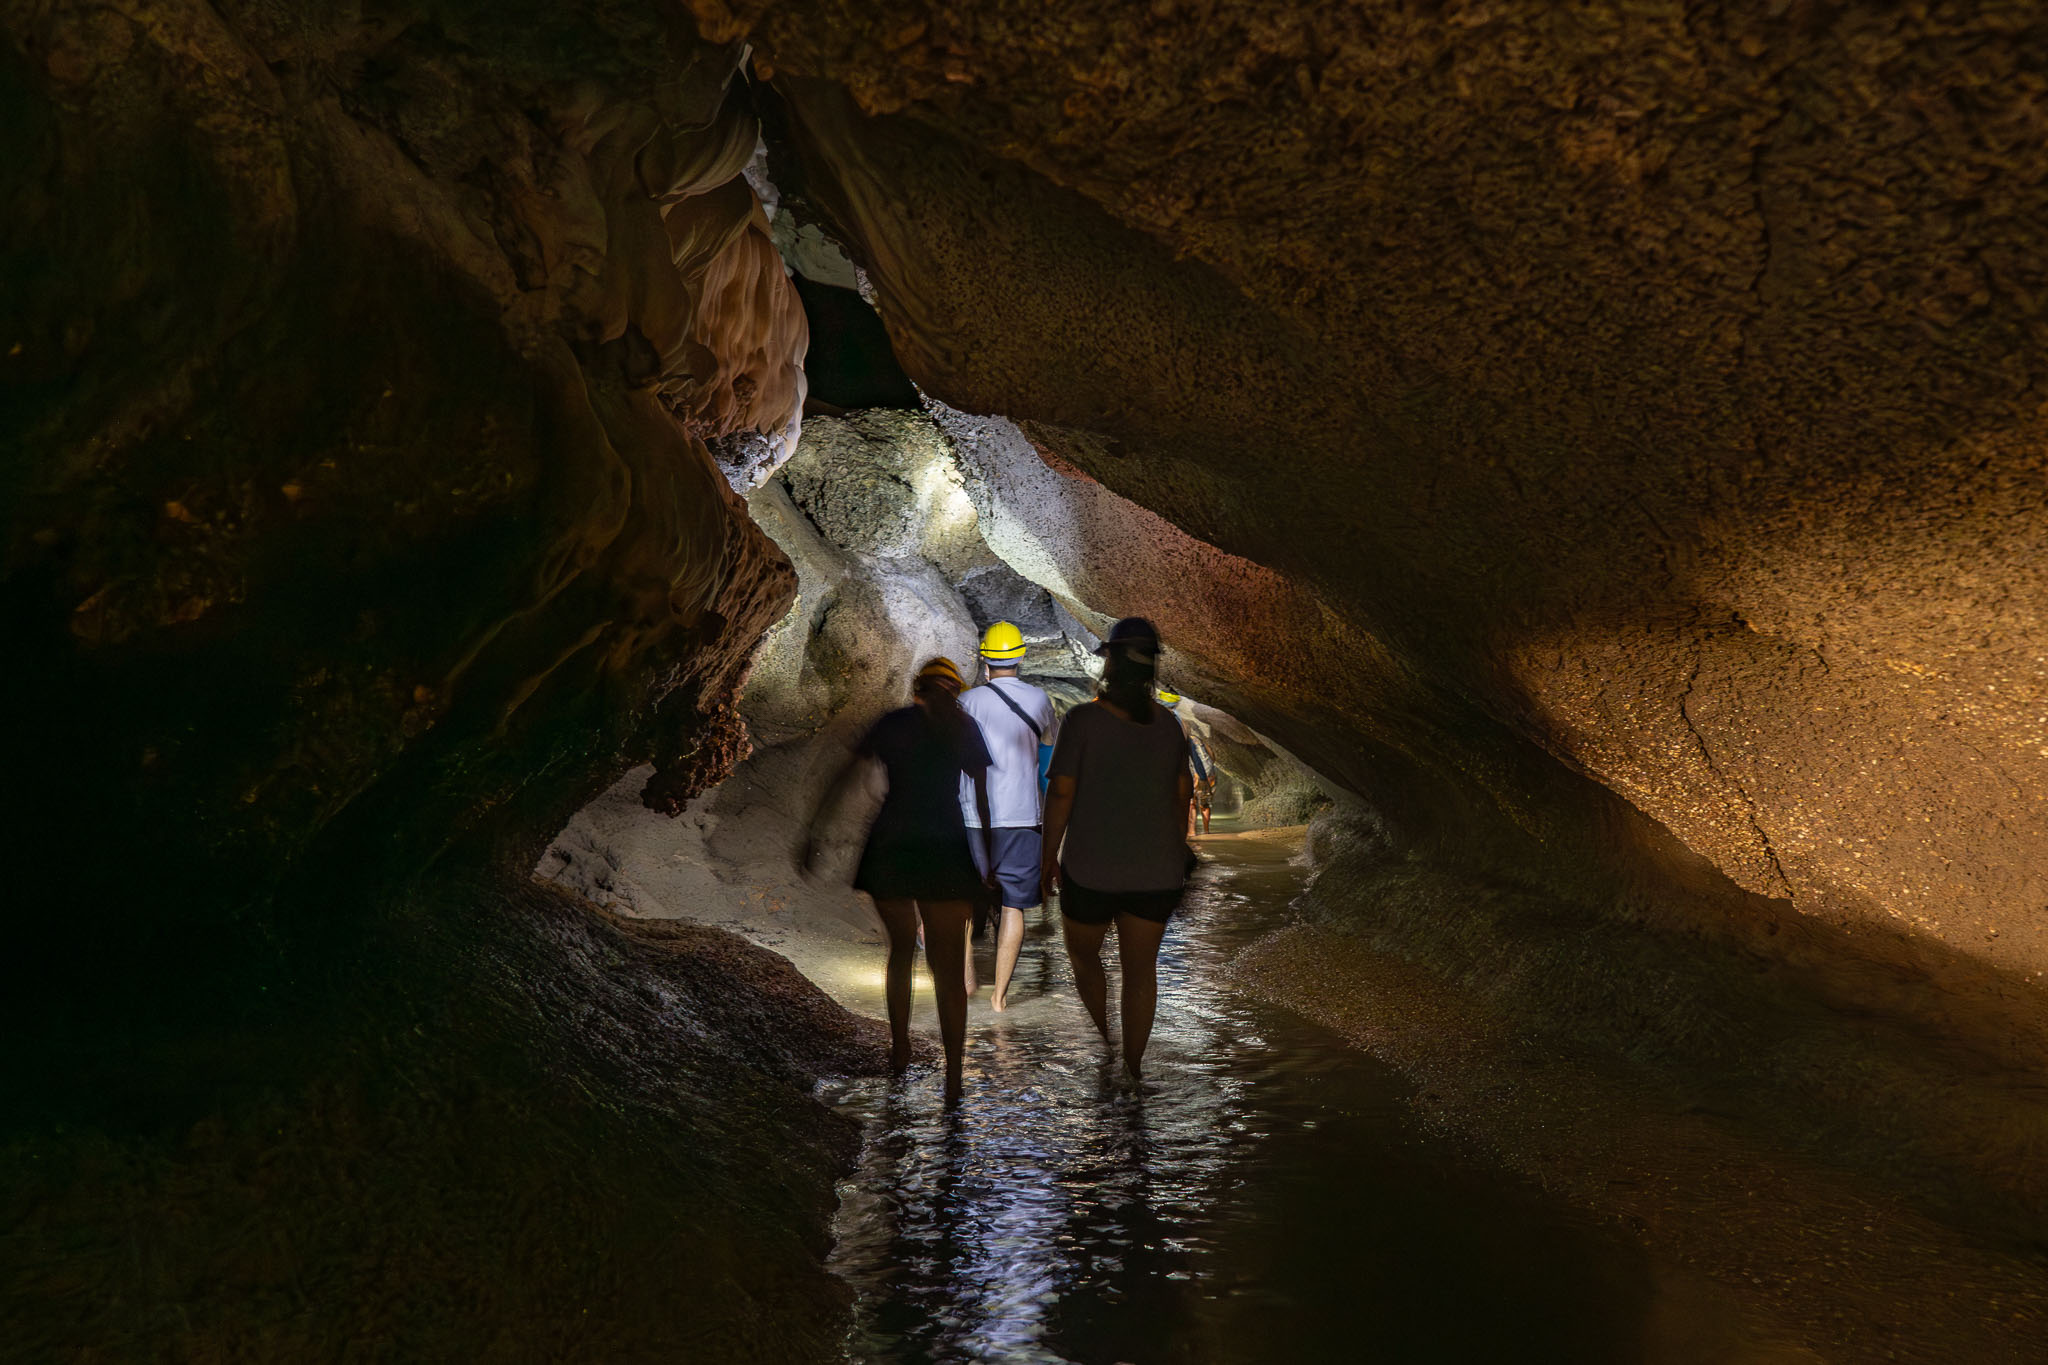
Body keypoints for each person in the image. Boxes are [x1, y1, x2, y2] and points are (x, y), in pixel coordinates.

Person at [802, 657, 997, 1096]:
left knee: (901, 951)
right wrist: (989, 861)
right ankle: (952, 1074)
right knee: (947, 971)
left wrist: (814, 831)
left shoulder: (893, 723)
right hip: (945, 847)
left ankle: (901, 1048)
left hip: (891, 845)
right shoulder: (963, 728)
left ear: (917, 689)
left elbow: (843, 778)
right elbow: (983, 801)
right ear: (955, 690)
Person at [1041, 617, 1194, 1081]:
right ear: (1150, 670)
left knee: (1085, 958)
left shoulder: (1083, 720)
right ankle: (1133, 1066)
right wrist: (1171, 848)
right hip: (1155, 872)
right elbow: (1181, 794)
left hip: (1090, 868)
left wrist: (1048, 855)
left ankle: (1107, 1041)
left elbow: (1062, 793)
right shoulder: (1169, 725)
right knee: (1141, 972)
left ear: (1108, 661)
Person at [958, 621, 1058, 1013]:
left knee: (968, 900)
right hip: (1022, 816)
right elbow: (1049, 746)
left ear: (985, 662)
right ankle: (1000, 999)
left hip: (973, 817)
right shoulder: (1039, 699)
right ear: (1020, 658)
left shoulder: (966, 702)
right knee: (1014, 906)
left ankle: (966, 978)